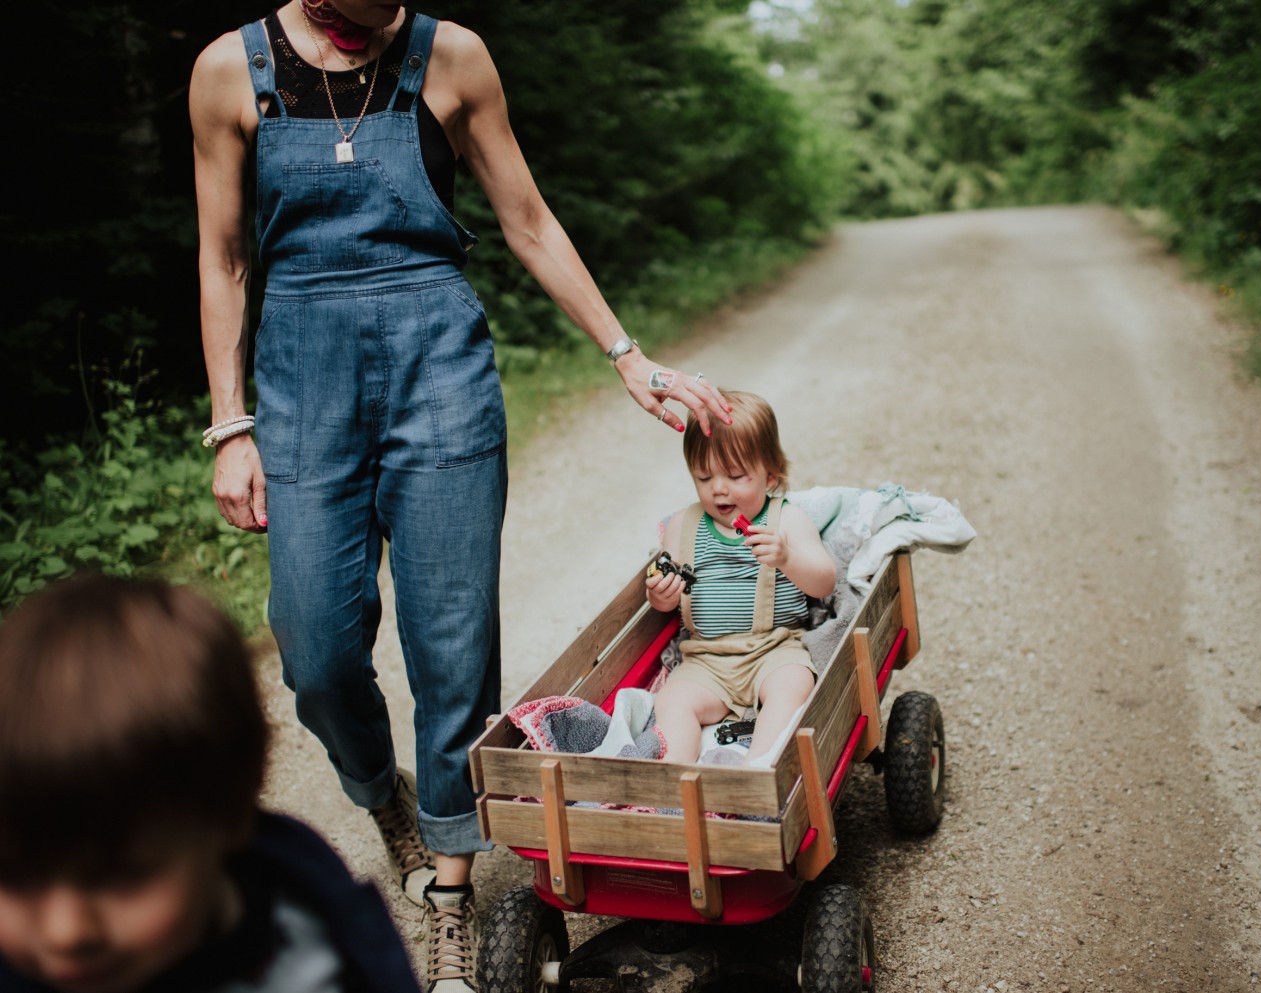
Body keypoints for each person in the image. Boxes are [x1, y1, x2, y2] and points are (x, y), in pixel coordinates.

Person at [189, 3, 730, 989]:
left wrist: (624, 353)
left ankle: (448, 887)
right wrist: (233, 427)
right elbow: (225, 258)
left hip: (437, 358)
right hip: (302, 373)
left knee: (451, 635)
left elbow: (525, 217)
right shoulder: (230, 73)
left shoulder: (455, 57)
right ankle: (377, 790)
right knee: (314, 641)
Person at [0, 574, 422, 993]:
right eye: (15, 876)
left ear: (232, 812)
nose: (65, 933)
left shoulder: (299, 881)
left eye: (120, 875)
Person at [646, 391, 838, 764]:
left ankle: (759, 772)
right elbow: (665, 593)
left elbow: (825, 583)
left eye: (735, 476)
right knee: (672, 700)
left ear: (771, 475)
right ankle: (677, 783)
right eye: (704, 476)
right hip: (706, 659)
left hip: (773, 649)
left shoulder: (787, 520)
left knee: (794, 685)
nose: (719, 488)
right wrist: (661, 597)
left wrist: (787, 558)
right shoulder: (683, 526)